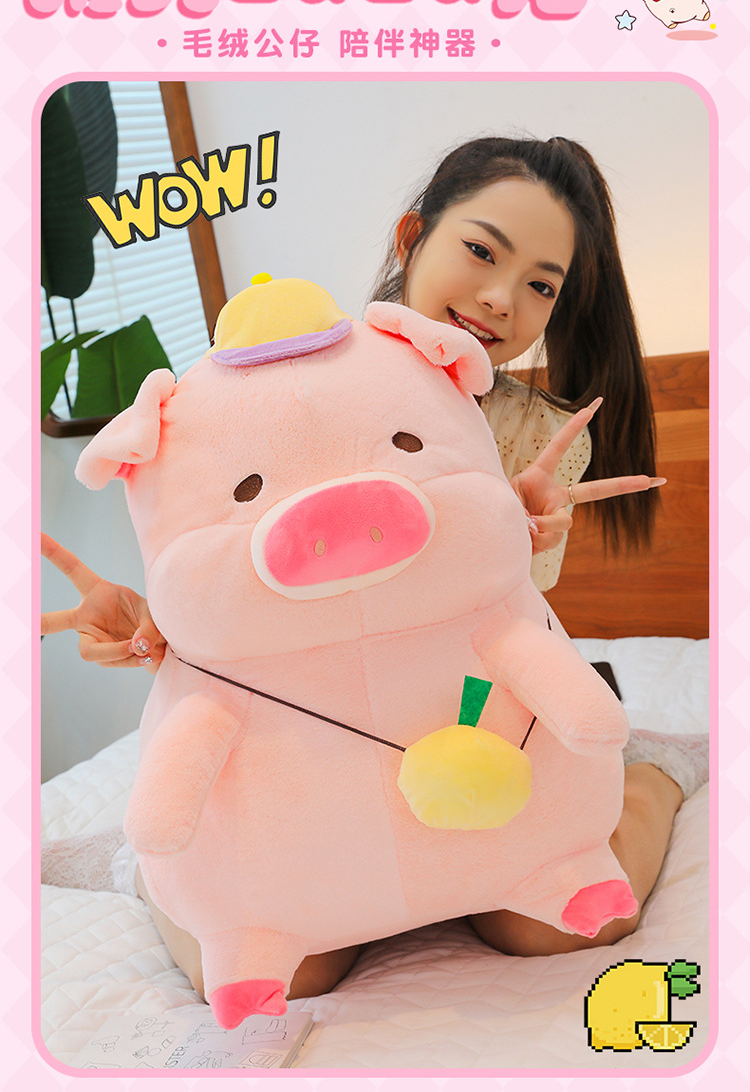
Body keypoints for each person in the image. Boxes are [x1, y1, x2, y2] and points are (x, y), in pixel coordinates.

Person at [41, 135, 707, 999]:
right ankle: (143, 870)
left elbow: (504, 632)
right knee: (291, 971)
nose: (501, 298)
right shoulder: (295, 377)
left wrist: (514, 531)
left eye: (542, 285)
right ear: (412, 237)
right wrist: (156, 626)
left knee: (558, 926)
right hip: (319, 738)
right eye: (482, 250)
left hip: (468, 709)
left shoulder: (541, 435)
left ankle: (655, 772)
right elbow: (246, 572)